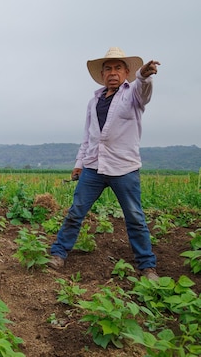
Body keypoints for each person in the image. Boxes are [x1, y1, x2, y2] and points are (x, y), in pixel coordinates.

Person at [48, 47, 161, 281]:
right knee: (75, 212)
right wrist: (79, 162)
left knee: (135, 217)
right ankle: (58, 254)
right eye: (108, 68)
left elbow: (145, 91)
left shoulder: (134, 95)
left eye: (118, 68)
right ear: (102, 74)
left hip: (124, 169)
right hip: (93, 167)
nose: (112, 72)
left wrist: (144, 75)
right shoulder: (94, 101)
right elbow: (89, 136)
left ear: (127, 72)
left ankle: (147, 266)